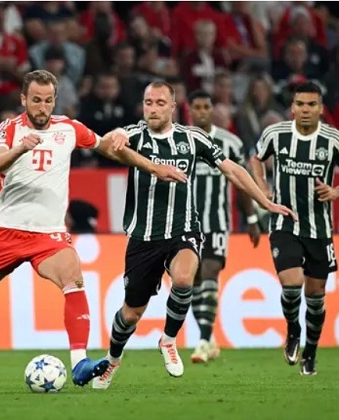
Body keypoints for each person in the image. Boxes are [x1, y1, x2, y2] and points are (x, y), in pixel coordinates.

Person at [0, 70, 186, 388]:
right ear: (24, 99)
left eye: (48, 100)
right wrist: (20, 148)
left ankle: (79, 362)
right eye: (36, 100)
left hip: (48, 235)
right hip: (6, 231)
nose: (42, 107)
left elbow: (108, 148)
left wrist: (153, 167)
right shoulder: (10, 128)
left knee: (73, 279)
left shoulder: (69, 128)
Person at [92, 81, 297, 389]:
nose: (153, 108)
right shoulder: (134, 134)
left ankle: (168, 339)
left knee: (185, 279)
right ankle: (113, 358)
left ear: (174, 108)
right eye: (148, 102)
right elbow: (105, 144)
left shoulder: (192, 138)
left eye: (160, 103)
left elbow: (232, 169)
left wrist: (264, 202)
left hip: (184, 229)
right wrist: (119, 135)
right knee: (131, 314)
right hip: (143, 238)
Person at [248, 81, 339, 376]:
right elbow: (256, 158)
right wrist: (262, 187)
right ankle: (293, 330)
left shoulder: (333, 139)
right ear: (292, 107)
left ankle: (310, 352)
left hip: (319, 229)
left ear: (321, 109)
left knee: (315, 296)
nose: (305, 110)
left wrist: (336, 192)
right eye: (300, 104)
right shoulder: (275, 134)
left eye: (311, 105)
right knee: (291, 283)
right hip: (284, 222)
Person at [186, 89, 261, 364]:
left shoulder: (230, 143)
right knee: (191, 281)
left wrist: (251, 219)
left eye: (206, 106)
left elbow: (241, 183)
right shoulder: (180, 140)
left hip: (217, 222)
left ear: (212, 110)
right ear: (189, 110)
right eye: (197, 107)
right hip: (186, 224)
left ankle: (203, 340)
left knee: (210, 272)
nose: (202, 112)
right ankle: (208, 338)